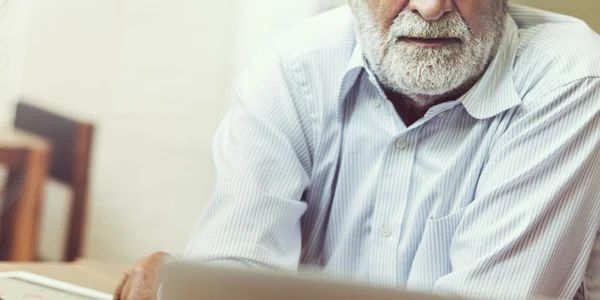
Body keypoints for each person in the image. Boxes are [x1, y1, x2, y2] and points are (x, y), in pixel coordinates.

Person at [114, 0, 600, 299]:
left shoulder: (573, 80)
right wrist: (187, 289)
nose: (431, 7)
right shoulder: (291, 70)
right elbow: (233, 275)